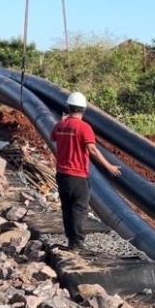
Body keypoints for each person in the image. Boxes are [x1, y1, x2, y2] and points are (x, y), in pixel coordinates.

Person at [50, 91, 120, 252]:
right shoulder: (84, 127)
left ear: (68, 107)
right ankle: (78, 244)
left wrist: (62, 122)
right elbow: (92, 150)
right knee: (79, 209)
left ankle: (71, 242)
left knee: (67, 208)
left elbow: (53, 137)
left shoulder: (60, 125)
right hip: (78, 175)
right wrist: (109, 166)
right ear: (84, 109)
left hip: (62, 175)